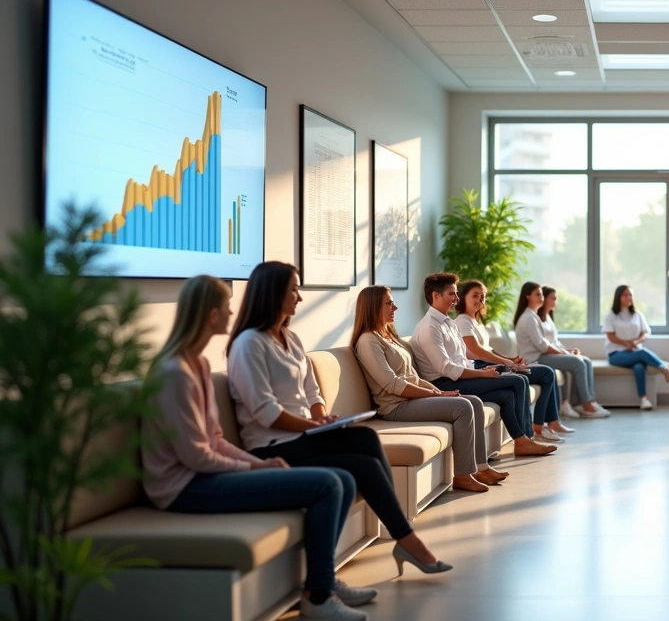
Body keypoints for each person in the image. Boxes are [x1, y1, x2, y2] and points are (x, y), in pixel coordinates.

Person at [143, 275, 375, 621]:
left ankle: (321, 581)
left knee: (343, 478)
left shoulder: (199, 364)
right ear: (209, 315)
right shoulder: (174, 373)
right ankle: (319, 596)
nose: (231, 311)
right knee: (328, 483)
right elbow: (196, 457)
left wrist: (256, 463)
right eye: (225, 306)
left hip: (204, 474)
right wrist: (256, 467)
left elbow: (216, 440)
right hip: (184, 488)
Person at [224, 262, 452, 595]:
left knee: (363, 437)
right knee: (361, 465)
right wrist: (312, 424)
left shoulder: (290, 338)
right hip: (272, 445)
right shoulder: (249, 344)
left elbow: (312, 390)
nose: (299, 297)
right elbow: (265, 411)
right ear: (272, 294)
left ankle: (401, 535)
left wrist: (320, 416)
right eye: (293, 290)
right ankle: (402, 540)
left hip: (303, 435)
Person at [351, 285, 507, 493]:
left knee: (474, 402)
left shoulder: (388, 337)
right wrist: (436, 393)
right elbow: (393, 385)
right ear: (372, 307)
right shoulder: (368, 341)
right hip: (395, 407)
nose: (395, 307)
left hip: (410, 400)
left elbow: (412, 376)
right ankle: (462, 475)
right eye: (389, 303)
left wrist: (435, 391)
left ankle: (481, 468)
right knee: (462, 407)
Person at [410, 272, 557, 457]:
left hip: (457, 377)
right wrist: (482, 374)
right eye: (452, 294)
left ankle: (521, 442)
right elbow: (447, 368)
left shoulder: (449, 323)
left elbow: (461, 359)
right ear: (435, 295)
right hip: (444, 384)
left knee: (506, 395)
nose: (456, 298)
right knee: (518, 381)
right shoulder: (429, 327)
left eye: (456, 293)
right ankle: (527, 439)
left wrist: (483, 369)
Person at [459, 280, 573, 442]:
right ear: (463, 297)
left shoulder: (475, 321)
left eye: (483, 296)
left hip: (489, 364)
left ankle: (539, 429)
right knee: (543, 374)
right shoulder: (462, 321)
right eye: (475, 295)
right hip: (481, 367)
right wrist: (507, 363)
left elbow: (488, 349)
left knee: (546, 373)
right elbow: (477, 351)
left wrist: (509, 359)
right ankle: (533, 432)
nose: (480, 299)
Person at [603, 285, 669, 410]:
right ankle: (666, 371)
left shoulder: (637, 314)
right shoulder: (611, 315)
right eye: (625, 295)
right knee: (642, 353)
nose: (629, 297)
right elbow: (610, 336)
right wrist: (625, 343)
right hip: (616, 354)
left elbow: (645, 332)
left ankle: (643, 399)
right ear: (618, 297)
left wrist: (635, 342)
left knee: (639, 367)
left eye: (630, 295)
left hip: (634, 351)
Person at [536, 286, 604, 420]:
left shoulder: (548, 317)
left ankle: (587, 401)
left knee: (586, 360)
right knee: (578, 363)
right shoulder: (537, 319)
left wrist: (569, 350)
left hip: (553, 353)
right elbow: (545, 345)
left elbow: (555, 342)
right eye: (552, 298)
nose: (555, 301)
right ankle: (586, 404)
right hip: (543, 356)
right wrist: (565, 353)